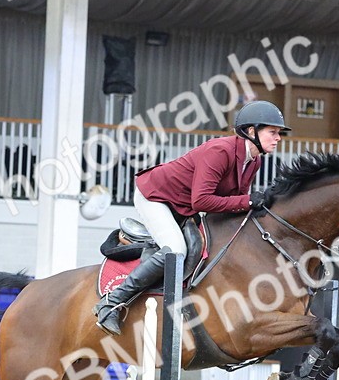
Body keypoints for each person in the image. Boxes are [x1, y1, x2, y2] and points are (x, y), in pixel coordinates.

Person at [93, 101, 290, 335]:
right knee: (176, 250)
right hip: (156, 197)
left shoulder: (254, 161)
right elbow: (203, 201)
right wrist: (246, 201)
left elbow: (233, 202)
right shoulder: (220, 151)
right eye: (273, 132)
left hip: (183, 206)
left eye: (278, 133)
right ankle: (112, 302)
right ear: (251, 131)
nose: (278, 138)